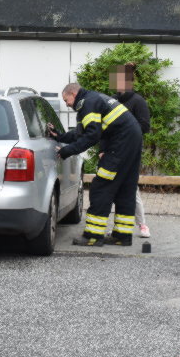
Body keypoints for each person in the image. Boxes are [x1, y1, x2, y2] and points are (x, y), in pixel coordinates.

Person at [48, 83, 142, 247]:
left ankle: (93, 236)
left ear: (73, 93)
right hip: (132, 141)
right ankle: (122, 236)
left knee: (101, 187)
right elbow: (81, 133)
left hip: (120, 144)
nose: (67, 104)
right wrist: (60, 136)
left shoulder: (87, 104)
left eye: (66, 100)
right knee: (125, 188)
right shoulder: (92, 99)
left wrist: (67, 151)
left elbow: (92, 136)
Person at [110, 63, 151, 238]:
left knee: (131, 189)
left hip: (130, 152)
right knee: (112, 189)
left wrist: (126, 133)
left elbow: (144, 126)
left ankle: (142, 224)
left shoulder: (138, 101)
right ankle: (119, 226)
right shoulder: (111, 100)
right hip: (113, 152)